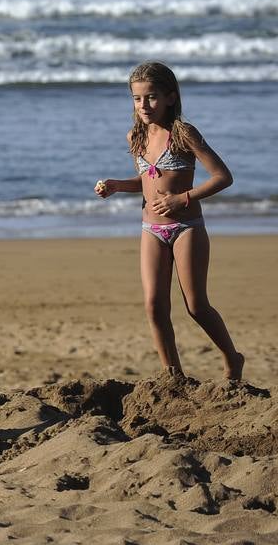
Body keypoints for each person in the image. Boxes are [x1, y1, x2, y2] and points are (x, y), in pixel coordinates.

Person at [94, 61, 244, 381]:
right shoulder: (136, 135)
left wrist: (183, 199)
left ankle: (232, 357)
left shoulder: (183, 133)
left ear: (170, 98)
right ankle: (172, 376)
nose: (143, 105)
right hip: (151, 229)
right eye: (137, 98)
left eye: (151, 97)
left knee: (196, 307)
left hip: (186, 228)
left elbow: (223, 177)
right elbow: (147, 182)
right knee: (153, 305)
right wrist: (118, 185)